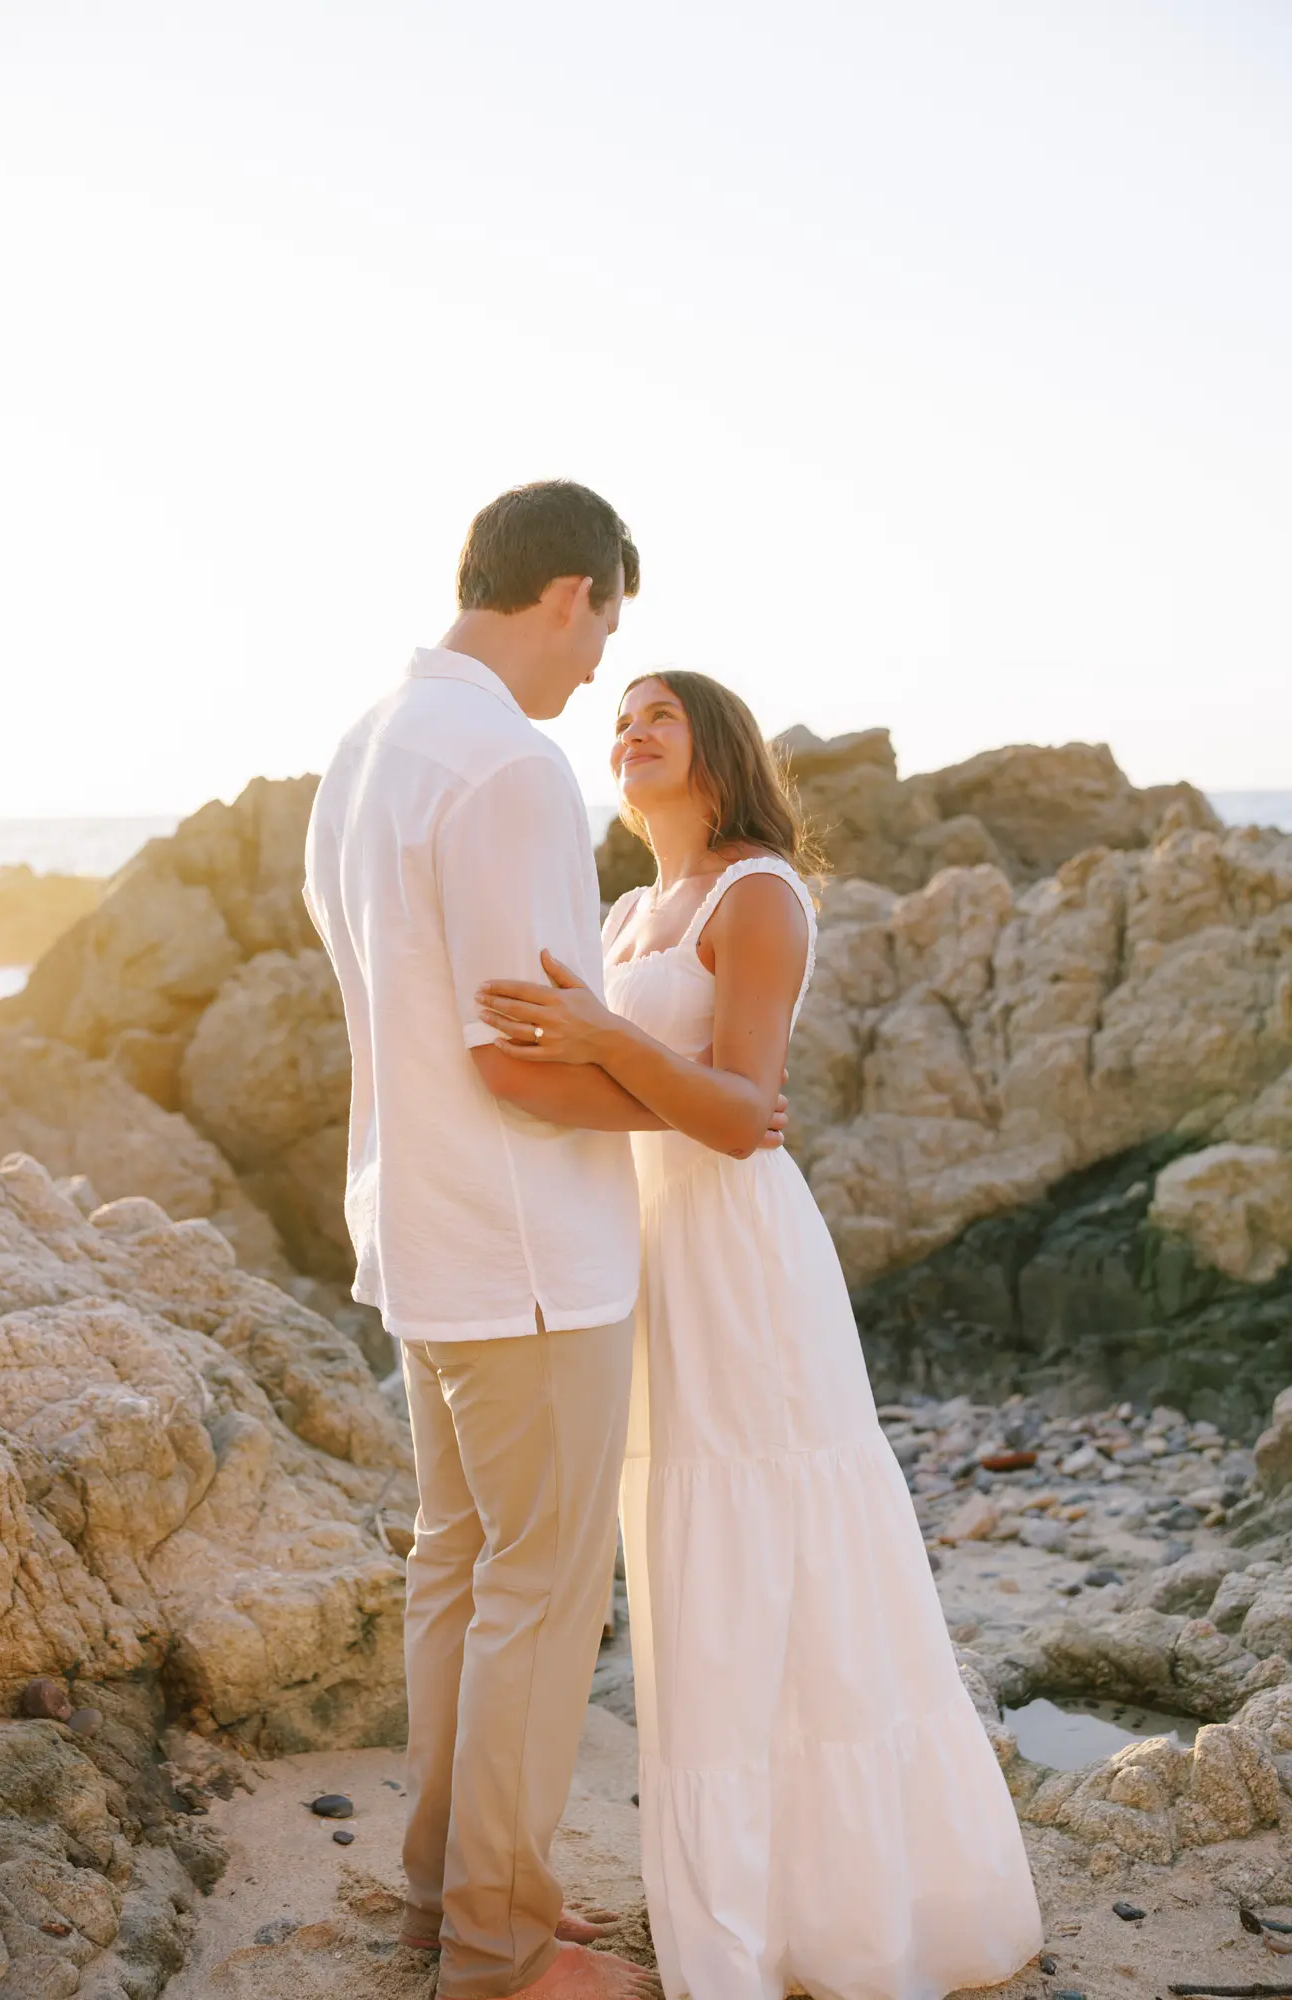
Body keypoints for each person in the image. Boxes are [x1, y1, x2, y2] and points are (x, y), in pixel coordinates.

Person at [476, 670, 1045, 2000]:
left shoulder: (758, 895)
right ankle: (738, 1914)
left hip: (741, 1257)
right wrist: (510, 1072)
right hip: (648, 1252)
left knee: (788, 1556)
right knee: (692, 1566)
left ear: (717, 752)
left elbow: (742, 1113)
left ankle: (861, 1913)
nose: (629, 731)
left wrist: (603, 1044)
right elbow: (619, 1097)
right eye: (618, 718)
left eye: (658, 715)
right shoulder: (623, 913)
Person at [304, 482, 675, 2000]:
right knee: (536, 1593)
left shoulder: (366, 745)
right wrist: (694, 1104)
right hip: (524, 1253)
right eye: (605, 629)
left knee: (458, 1574)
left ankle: (440, 1899)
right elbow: (519, 1057)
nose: (596, 671)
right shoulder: (510, 767)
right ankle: (499, 1949)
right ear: (570, 592)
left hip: (418, 1234)